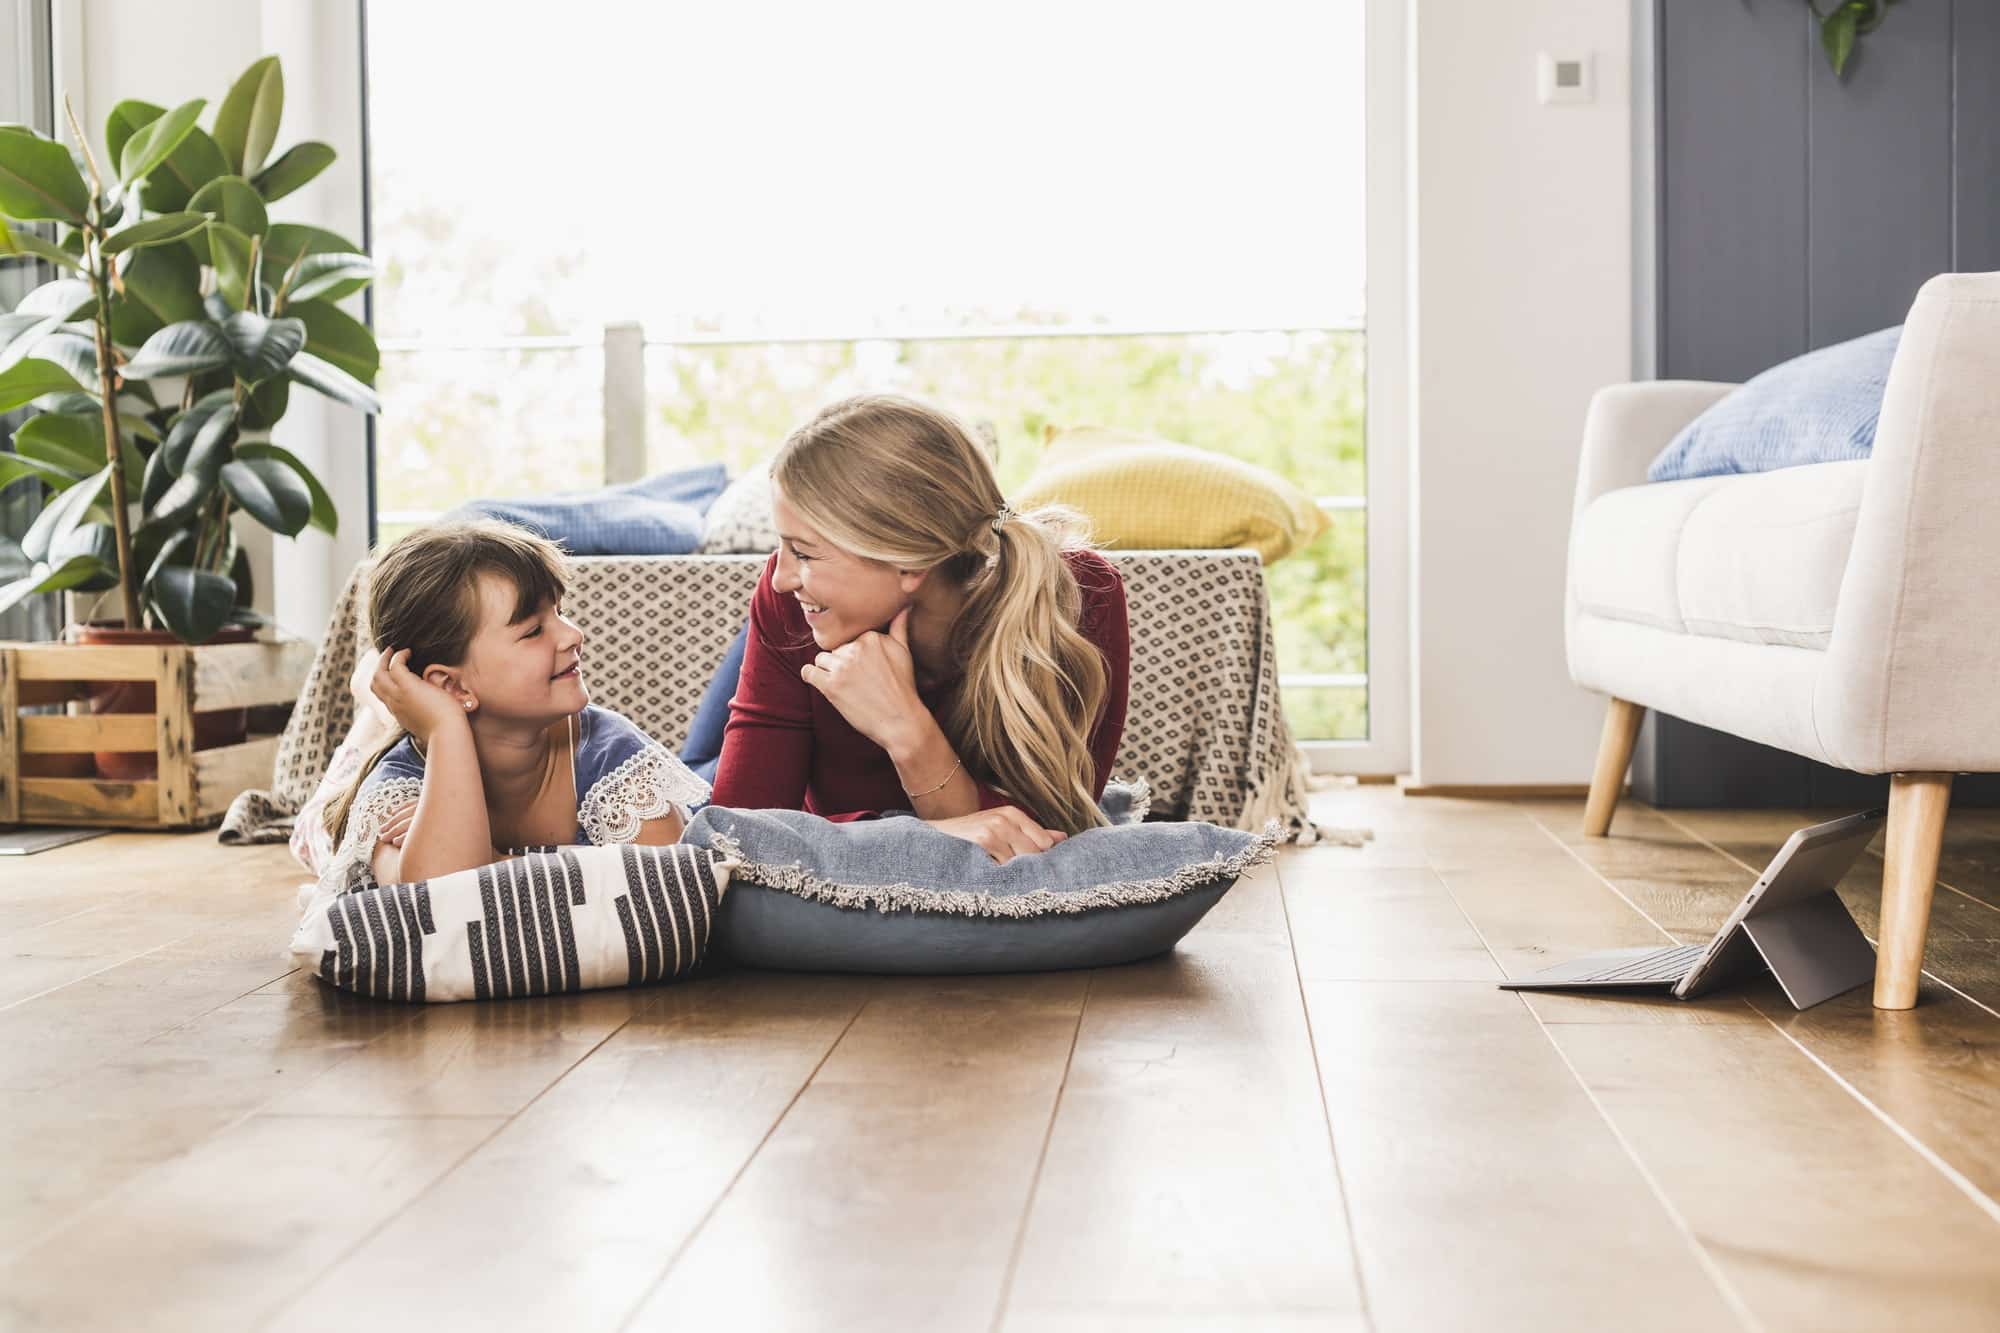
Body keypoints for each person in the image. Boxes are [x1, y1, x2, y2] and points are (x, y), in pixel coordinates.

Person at [709, 394, 1130, 863]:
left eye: (804, 552)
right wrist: (934, 834)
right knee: (663, 788)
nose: (781, 576)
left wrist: (907, 731)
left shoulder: (1077, 595)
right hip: (797, 644)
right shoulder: (785, 597)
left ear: (908, 563)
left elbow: (1047, 855)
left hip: (822, 642)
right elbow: (738, 838)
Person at [318, 519, 708, 892]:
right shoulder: (397, 787)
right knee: (315, 830)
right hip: (340, 796)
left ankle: (379, 692)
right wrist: (444, 727)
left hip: (451, 709)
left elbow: (667, 879)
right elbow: (435, 896)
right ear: (450, 685)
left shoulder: (610, 753)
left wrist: (494, 860)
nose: (574, 634)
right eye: (534, 630)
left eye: (559, 611)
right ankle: (377, 702)